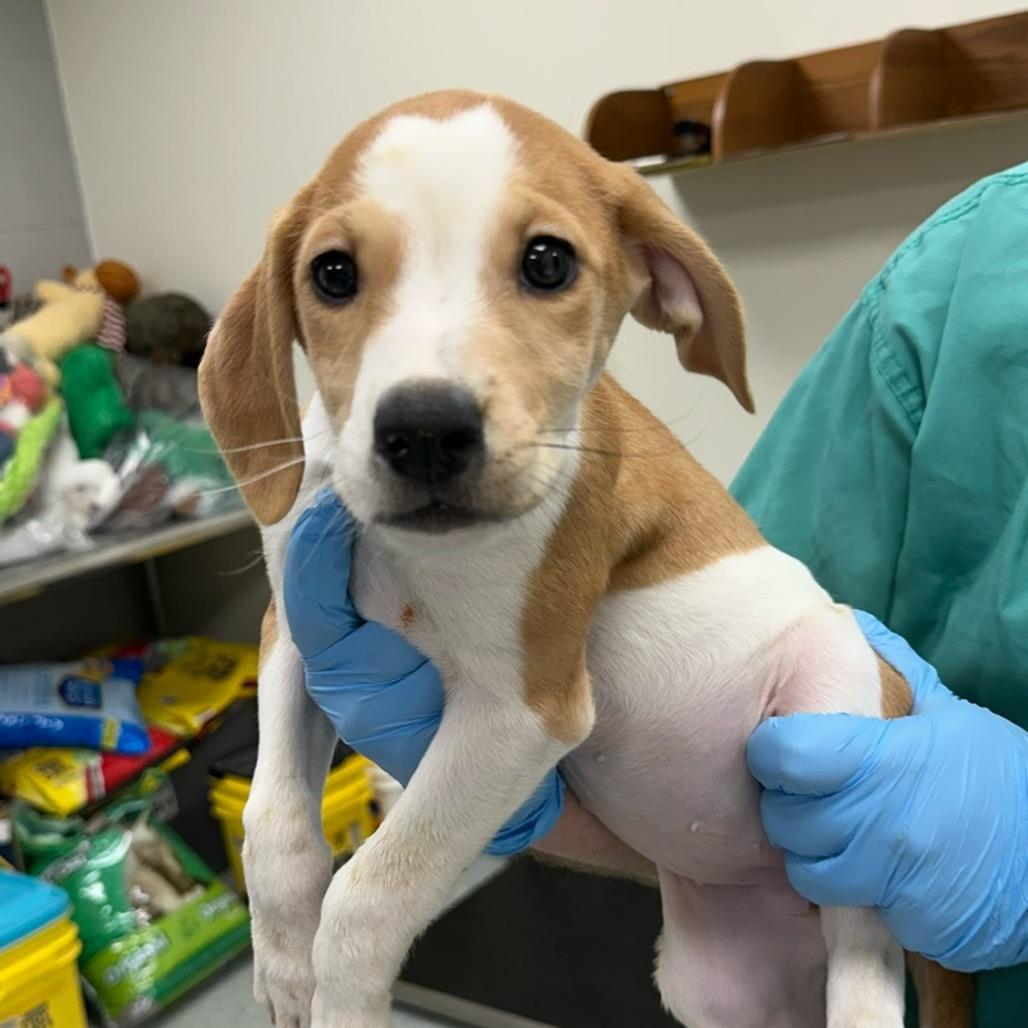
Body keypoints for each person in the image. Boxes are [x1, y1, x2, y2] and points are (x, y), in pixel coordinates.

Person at [283, 163, 1028, 1025]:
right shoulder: (979, 265)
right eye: (340, 278)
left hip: (899, 946)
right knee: (704, 990)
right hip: (729, 864)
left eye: (544, 266)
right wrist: (560, 814)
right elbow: (722, 638)